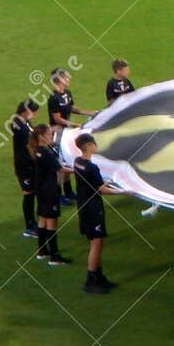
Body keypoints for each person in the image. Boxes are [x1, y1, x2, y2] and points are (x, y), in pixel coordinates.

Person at [70, 134, 120, 294]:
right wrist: (124, 191)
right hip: (93, 208)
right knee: (96, 243)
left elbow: (93, 183)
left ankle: (99, 276)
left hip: (83, 206)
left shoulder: (77, 162)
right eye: (94, 144)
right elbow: (102, 189)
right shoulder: (92, 167)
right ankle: (91, 281)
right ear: (89, 146)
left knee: (96, 241)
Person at [29, 122, 71, 265]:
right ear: (42, 136)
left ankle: (42, 250)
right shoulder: (46, 153)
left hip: (41, 191)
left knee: (42, 219)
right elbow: (61, 169)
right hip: (49, 191)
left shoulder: (38, 151)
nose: (51, 135)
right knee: (52, 222)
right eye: (49, 134)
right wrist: (78, 169)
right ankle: (55, 256)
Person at [9, 98, 41, 238]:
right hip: (23, 165)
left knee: (33, 193)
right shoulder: (17, 124)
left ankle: (34, 222)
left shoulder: (25, 122)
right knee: (28, 195)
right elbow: (29, 141)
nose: (35, 114)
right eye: (33, 112)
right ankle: (29, 226)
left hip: (30, 164)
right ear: (25, 111)